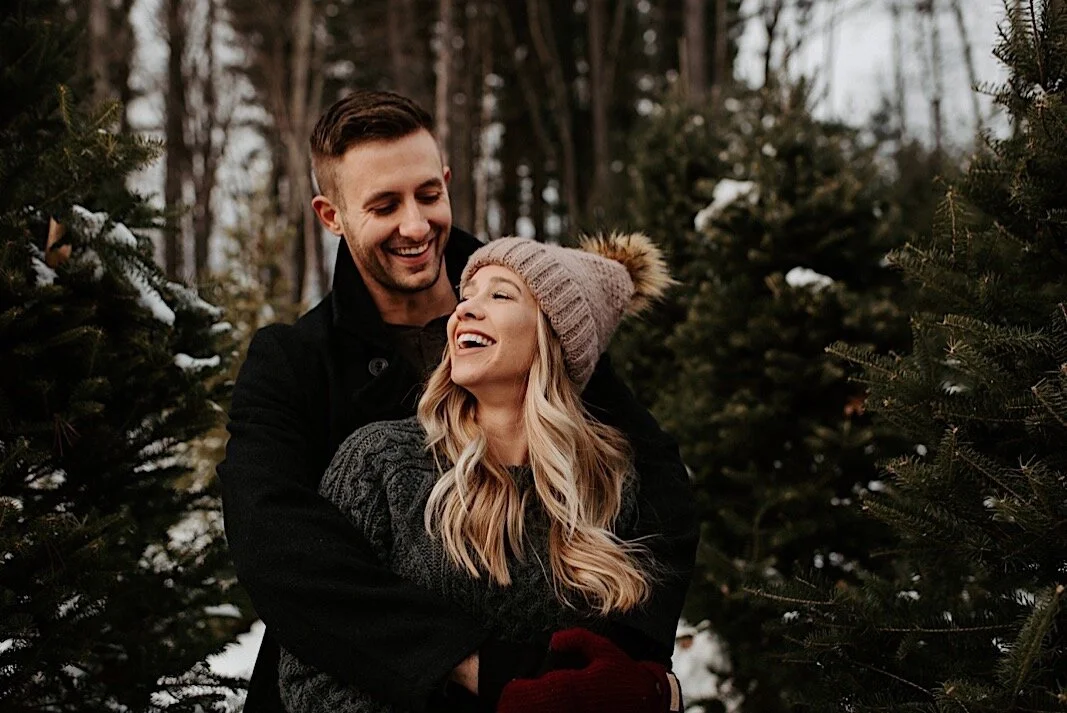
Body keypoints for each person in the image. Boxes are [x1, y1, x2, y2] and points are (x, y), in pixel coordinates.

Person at [217, 89, 697, 713]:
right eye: (384, 205)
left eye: (428, 194)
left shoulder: (539, 313)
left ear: (446, 180)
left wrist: (625, 668)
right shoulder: (294, 362)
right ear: (332, 216)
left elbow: (654, 477)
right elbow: (274, 543)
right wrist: (478, 670)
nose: (415, 226)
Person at [277, 233, 692, 713]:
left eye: (500, 294)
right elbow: (309, 675)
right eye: (466, 295)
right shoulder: (380, 462)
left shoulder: (609, 485)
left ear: (553, 336)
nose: (464, 310)